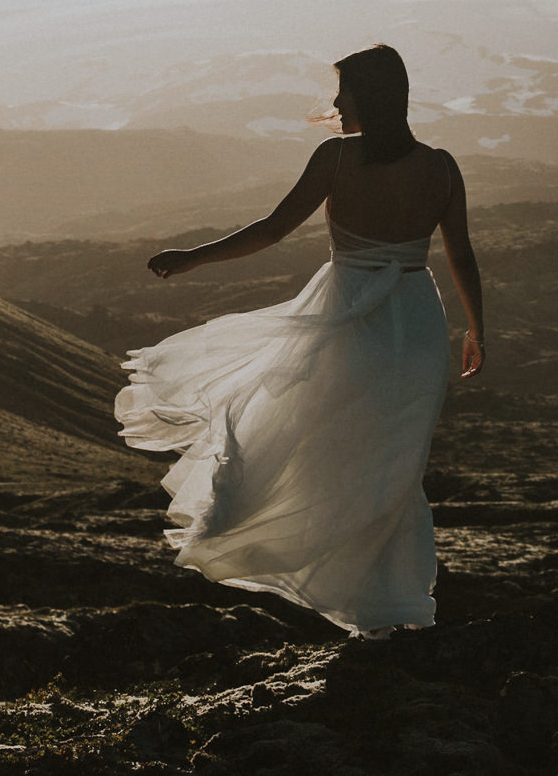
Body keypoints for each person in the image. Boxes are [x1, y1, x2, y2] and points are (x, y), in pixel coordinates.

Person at [115, 43, 484, 638]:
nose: (336, 104)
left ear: (371, 96)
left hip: (350, 316)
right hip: (417, 322)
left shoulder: (336, 159)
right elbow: (459, 253)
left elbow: (271, 230)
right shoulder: (441, 165)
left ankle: (372, 604)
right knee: (395, 463)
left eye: (345, 92)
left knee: (339, 453)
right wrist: (476, 328)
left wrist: (192, 259)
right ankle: (390, 607)